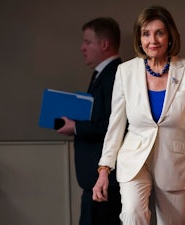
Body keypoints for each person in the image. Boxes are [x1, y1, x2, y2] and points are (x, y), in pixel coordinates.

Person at [91, 5, 185, 225]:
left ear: (170, 36)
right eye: (146, 34)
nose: (153, 40)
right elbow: (116, 124)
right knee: (132, 216)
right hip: (134, 160)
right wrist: (104, 169)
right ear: (139, 39)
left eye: (159, 32)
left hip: (176, 160)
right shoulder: (126, 72)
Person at [57, 17, 122, 225]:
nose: (82, 48)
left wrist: (76, 127)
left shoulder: (114, 76)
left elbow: (114, 124)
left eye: (87, 42)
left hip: (105, 180)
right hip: (97, 179)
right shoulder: (102, 75)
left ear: (104, 44)